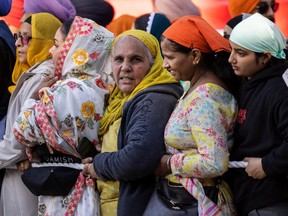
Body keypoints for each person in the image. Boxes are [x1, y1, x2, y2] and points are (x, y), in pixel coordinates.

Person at [13, 16, 114, 215]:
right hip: (88, 185)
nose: (51, 51)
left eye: (57, 44)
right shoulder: (102, 87)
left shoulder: (66, 90)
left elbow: (22, 130)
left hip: (64, 188)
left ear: (76, 50)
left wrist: (34, 97)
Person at [82, 29, 183, 216]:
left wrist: (97, 164)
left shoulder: (153, 99)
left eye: (136, 59)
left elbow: (137, 158)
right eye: (118, 59)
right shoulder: (119, 98)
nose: (125, 67)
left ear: (153, 64)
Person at [152, 15, 239, 215]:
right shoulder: (197, 88)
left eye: (170, 57)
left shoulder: (205, 98)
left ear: (195, 56)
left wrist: (169, 163)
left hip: (197, 202)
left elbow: (214, 162)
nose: (165, 64)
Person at [0, 12, 61, 216]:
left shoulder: (41, 77)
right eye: (18, 36)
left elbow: (19, 141)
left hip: (26, 174)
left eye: (27, 38)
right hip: (17, 168)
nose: (18, 43)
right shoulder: (31, 74)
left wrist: (16, 153)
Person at [227, 13, 288, 216]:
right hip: (247, 193)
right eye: (231, 50)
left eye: (241, 53)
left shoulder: (281, 89)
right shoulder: (248, 80)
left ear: (265, 57)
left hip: (271, 198)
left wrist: (267, 164)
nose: (231, 59)